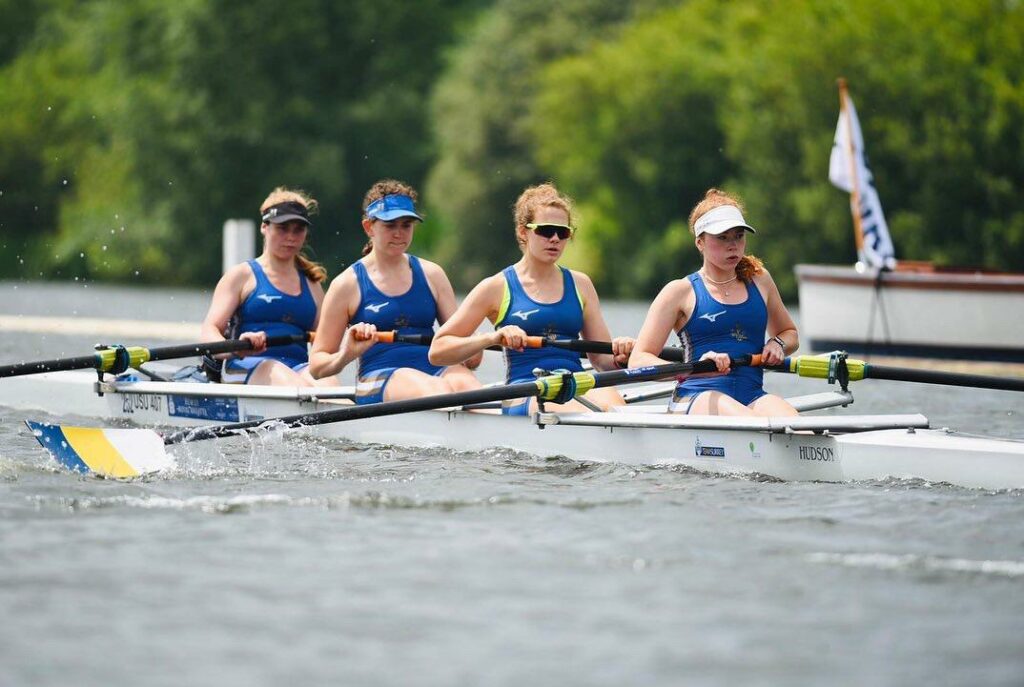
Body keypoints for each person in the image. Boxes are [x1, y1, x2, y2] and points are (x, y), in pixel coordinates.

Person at [429, 182, 633, 415]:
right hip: (525, 390)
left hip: (576, 383)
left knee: (618, 410)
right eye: (546, 230)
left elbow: (601, 361)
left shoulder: (581, 284)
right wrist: (492, 337)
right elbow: (438, 351)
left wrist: (622, 356)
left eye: (563, 232)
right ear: (523, 232)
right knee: (595, 412)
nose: (555, 238)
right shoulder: (496, 287)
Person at [629, 188, 798, 416]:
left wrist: (777, 344)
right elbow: (638, 360)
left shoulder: (760, 279)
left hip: (752, 396)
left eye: (739, 236)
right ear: (700, 242)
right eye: (722, 237)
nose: (733, 245)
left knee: (799, 428)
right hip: (696, 396)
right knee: (753, 424)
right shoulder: (679, 292)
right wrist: (694, 370)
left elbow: (789, 333)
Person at [308, 180, 481, 403]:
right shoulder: (347, 285)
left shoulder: (432, 275)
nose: (399, 233)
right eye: (390, 225)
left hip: (435, 370)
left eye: (406, 225)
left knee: (474, 392)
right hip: (378, 377)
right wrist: (347, 354)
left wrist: (476, 344)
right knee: (440, 391)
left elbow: (472, 360)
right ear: (368, 227)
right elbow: (316, 367)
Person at [200, 187, 336, 386]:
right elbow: (208, 331)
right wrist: (237, 348)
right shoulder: (242, 276)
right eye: (282, 228)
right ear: (265, 227)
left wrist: (350, 344)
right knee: (281, 373)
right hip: (244, 363)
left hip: (298, 369)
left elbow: (324, 346)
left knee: (330, 385)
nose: (291, 237)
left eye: (298, 229)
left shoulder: (313, 285)